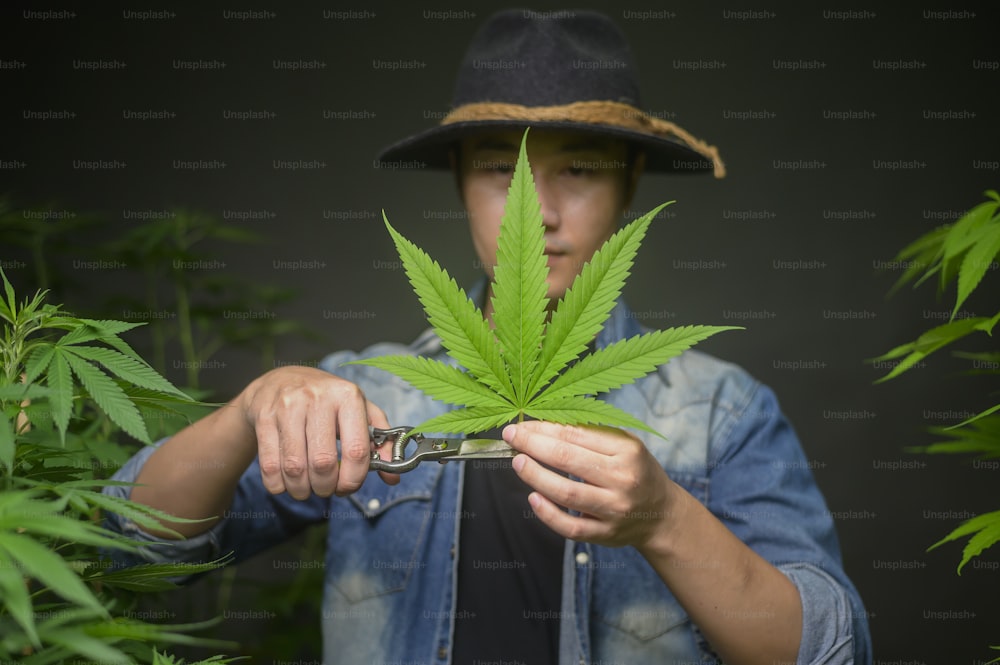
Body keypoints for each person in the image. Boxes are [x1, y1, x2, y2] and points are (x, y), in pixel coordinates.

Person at [105, 9, 872, 664]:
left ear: (631, 182)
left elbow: (831, 646)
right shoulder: (367, 397)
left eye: (579, 169)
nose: (537, 213)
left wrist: (665, 518)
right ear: (459, 180)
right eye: (503, 168)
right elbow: (127, 545)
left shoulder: (721, 413)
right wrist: (249, 410)